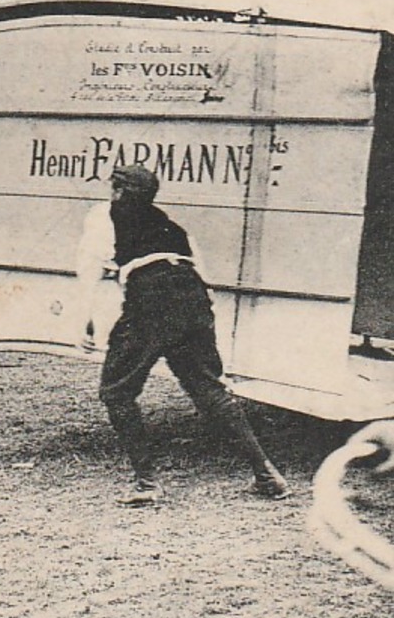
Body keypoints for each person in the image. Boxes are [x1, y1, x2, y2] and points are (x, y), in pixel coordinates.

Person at [77, 164, 290, 506]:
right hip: (192, 295)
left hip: (152, 297)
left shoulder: (104, 215)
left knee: (116, 392)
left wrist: (85, 321)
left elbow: (89, 267)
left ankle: (147, 485)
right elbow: (203, 278)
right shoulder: (172, 226)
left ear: (118, 191)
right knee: (209, 389)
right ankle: (266, 475)